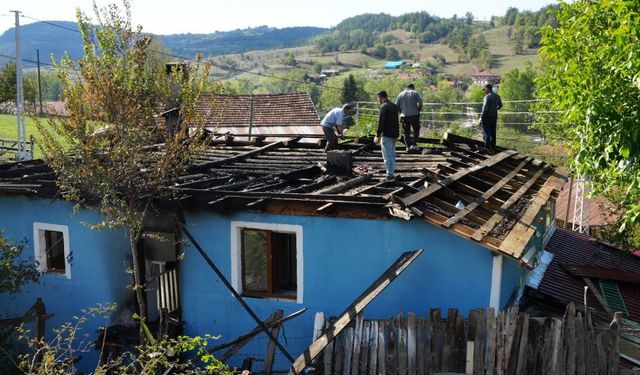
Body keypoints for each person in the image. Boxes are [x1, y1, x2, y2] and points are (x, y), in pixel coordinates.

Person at [374, 91, 401, 180]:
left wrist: (377, 135)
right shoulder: (394, 106)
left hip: (387, 134)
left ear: (380, 97)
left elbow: (381, 122)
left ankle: (390, 174)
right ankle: (391, 171)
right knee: (392, 154)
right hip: (395, 133)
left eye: (378, 98)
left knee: (387, 155)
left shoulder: (384, 106)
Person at [396, 83, 423, 151]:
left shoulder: (400, 94)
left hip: (404, 116)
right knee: (416, 130)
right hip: (414, 115)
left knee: (406, 132)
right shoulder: (415, 93)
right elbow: (420, 102)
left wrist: (401, 112)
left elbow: (397, 106)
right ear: (412, 87)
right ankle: (413, 145)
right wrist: (418, 109)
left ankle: (407, 146)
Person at [479, 83, 503, 149]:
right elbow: (500, 105)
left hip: (487, 116)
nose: (484, 91)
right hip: (494, 116)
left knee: (486, 132)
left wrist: (481, 118)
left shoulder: (487, 97)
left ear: (487, 88)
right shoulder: (497, 96)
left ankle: (487, 147)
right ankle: (493, 147)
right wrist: (496, 109)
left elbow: (485, 108)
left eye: (485, 90)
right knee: (493, 132)